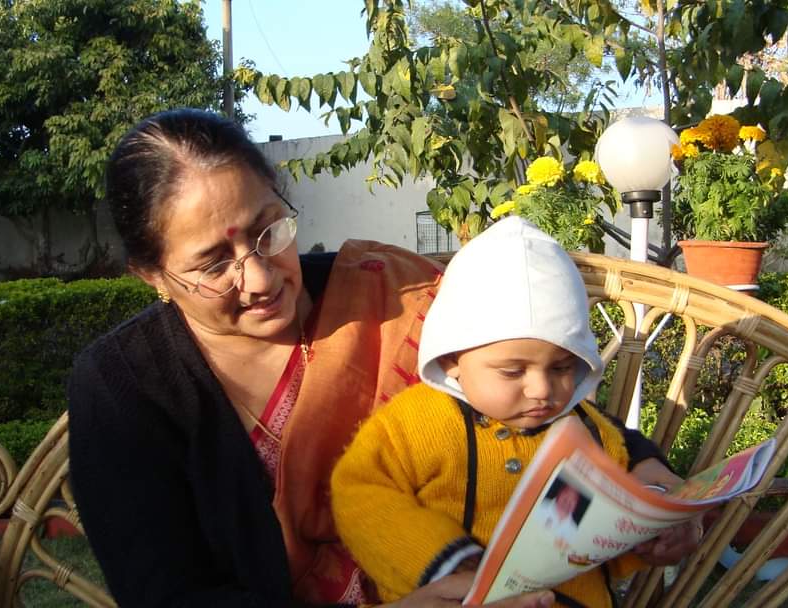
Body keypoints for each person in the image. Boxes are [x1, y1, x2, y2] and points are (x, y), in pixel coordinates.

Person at [67, 109, 560, 607]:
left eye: (269, 231)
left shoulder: (394, 297)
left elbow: (550, 427)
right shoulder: (123, 385)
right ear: (151, 274)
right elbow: (167, 596)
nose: (261, 279)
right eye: (214, 265)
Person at [331, 218, 701, 607]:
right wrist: (443, 560)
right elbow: (360, 492)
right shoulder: (417, 423)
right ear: (452, 358)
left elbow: (612, 517)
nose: (542, 389)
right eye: (512, 371)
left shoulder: (590, 432)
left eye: (562, 367)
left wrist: (650, 534)